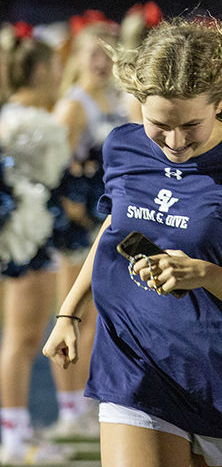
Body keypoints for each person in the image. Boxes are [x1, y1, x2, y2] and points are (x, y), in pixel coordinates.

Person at [42, 6, 222, 467]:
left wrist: (206, 274)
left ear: (220, 102)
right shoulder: (123, 146)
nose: (173, 141)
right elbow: (116, 230)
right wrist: (69, 312)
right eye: (160, 125)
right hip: (133, 366)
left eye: (190, 125)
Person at [48, 16, 127, 439]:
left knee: (99, 317)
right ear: (78, 57)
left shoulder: (116, 99)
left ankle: (84, 400)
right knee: (71, 313)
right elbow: (53, 171)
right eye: (93, 52)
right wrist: (76, 210)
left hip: (107, 222)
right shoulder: (75, 104)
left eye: (108, 53)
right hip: (79, 226)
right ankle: (67, 409)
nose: (101, 62)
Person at [0, 26, 73, 464]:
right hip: (27, 238)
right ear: (43, 69)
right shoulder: (41, 123)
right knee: (23, 340)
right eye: (57, 65)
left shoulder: (8, 115)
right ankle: (13, 435)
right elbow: (53, 187)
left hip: (22, 233)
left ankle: (17, 428)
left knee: (19, 339)